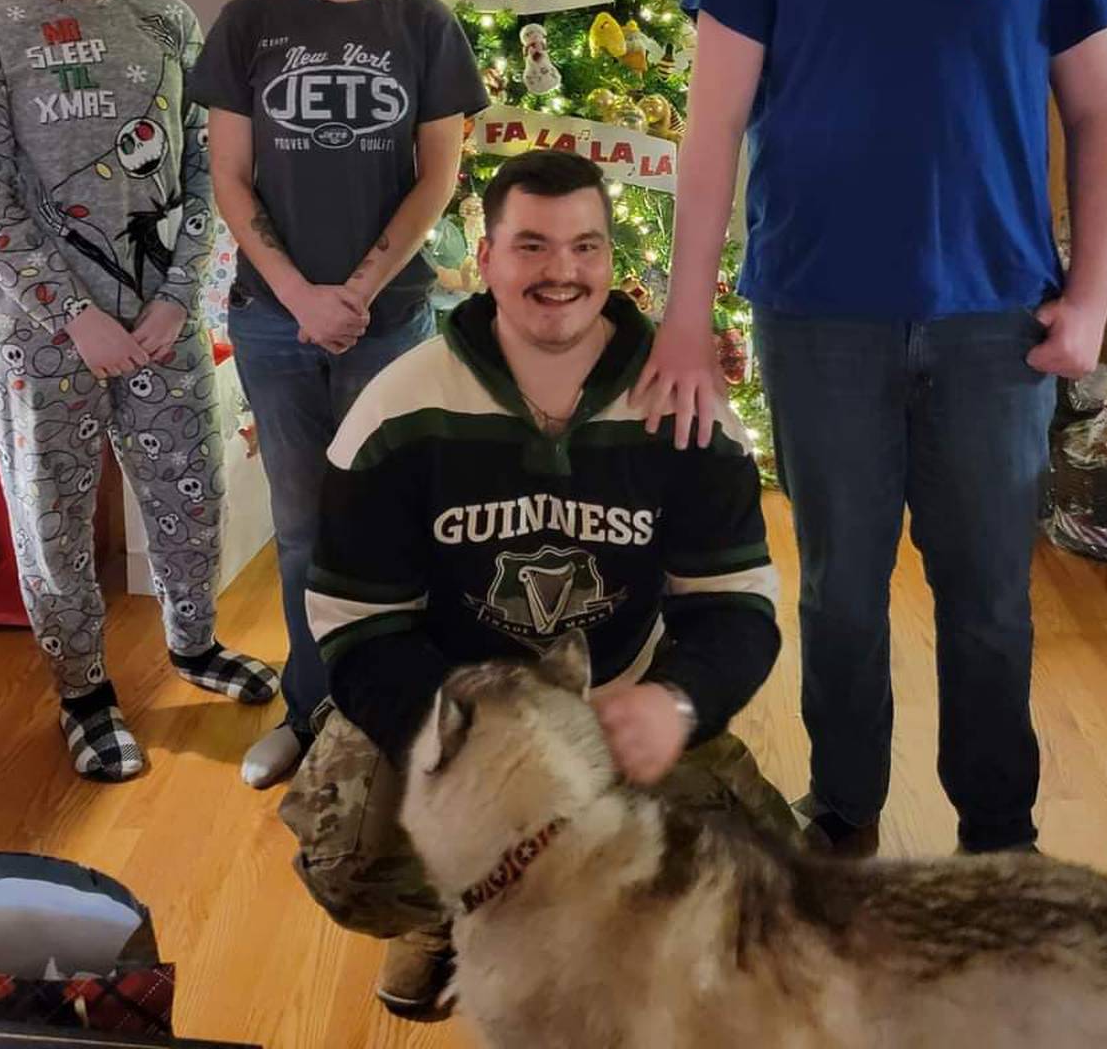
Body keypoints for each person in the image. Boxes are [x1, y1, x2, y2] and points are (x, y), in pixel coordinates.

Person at [634, 0, 1107, 859]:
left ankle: (998, 840)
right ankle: (844, 817)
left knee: (988, 609)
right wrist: (686, 319)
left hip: (994, 326)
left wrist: (1090, 301)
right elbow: (710, 136)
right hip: (820, 318)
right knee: (844, 598)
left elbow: (1103, 117)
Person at [281, 149, 791, 1023]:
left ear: (609, 260)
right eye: (532, 246)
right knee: (351, 862)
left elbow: (738, 609)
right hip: (458, 718)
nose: (562, 272)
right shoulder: (397, 411)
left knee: (770, 887)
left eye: (585, 247)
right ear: (485, 260)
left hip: (618, 704)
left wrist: (677, 703)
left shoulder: (687, 411)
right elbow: (357, 628)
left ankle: (596, 931)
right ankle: (455, 913)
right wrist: (467, 752)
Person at [0, 0, 278, 783]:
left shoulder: (171, 21)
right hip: (42, 333)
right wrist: (70, 316)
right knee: (51, 514)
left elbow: (209, 168)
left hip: (160, 322)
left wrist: (176, 298)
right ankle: (83, 692)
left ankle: (194, 644)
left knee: (189, 495)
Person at [188, 0, 487, 788]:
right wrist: (296, 294)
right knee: (306, 526)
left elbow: (437, 176)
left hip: (387, 317)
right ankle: (311, 713)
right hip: (274, 325)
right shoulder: (246, 25)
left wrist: (354, 290)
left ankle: (397, 716)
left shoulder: (422, 24)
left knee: (394, 520)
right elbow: (229, 178)